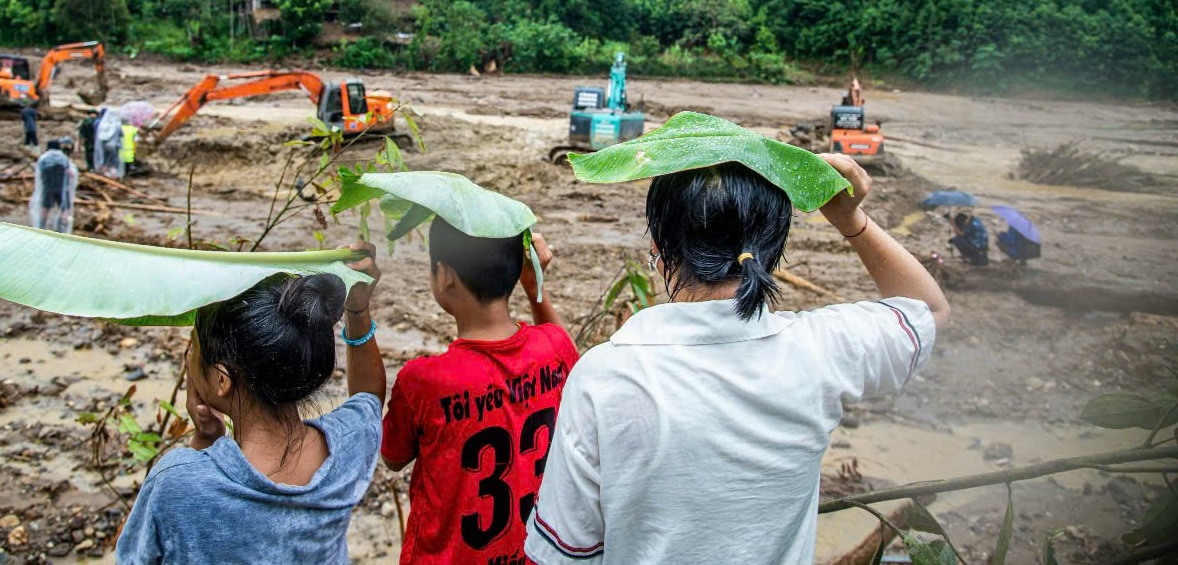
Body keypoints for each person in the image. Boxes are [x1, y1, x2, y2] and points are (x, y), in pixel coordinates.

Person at [524, 155, 951, 565]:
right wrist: (849, 220)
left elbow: (564, 552)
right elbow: (926, 310)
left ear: (658, 245)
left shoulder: (604, 376)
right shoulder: (821, 349)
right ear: (774, 250)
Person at [115, 244, 386, 565]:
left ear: (221, 380)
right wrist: (358, 311)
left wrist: (204, 443)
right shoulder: (347, 450)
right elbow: (369, 398)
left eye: (195, 349)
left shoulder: (175, 484)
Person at [382, 224, 575, 565]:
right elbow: (574, 370)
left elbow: (392, 456)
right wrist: (535, 291)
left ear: (444, 276)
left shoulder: (423, 382)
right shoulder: (554, 348)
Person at [29, 138, 78, 233]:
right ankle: (62, 228)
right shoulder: (63, 158)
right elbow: (71, 173)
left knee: (45, 208)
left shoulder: (43, 158)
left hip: (48, 187)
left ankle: (41, 227)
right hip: (62, 189)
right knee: (64, 209)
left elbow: (39, 176)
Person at [93, 107, 124, 179]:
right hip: (114, 145)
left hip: (104, 145)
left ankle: (104, 173)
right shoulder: (117, 125)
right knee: (114, 161)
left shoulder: (103, 124)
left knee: (105, 159)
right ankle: (113, 175)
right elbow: (121, 134)